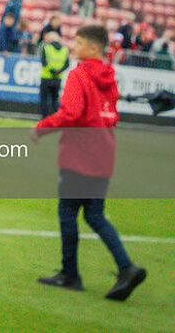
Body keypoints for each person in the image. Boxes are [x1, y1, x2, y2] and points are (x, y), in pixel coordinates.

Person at [32, 24, 146, 301]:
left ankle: (70, 274)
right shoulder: (110, 77)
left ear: (93, 48)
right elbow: (112, 116)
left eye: (79, 42)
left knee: (67, 211)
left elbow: (71, 113)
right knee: (94, 214)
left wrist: (42, 127)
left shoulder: (79, 75)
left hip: (79, 154)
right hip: (104, 153)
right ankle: (126, 267)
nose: (74, 46)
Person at [38, 31, 69, 118]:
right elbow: (67, 64)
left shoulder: (47, 48)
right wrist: (58, 72)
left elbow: (44, 62)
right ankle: (57, 118)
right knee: (55, 100)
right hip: (57, 79)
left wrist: (52, 71)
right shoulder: (65, 50)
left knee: (44, 99)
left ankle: (45, 118)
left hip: (46, 78)